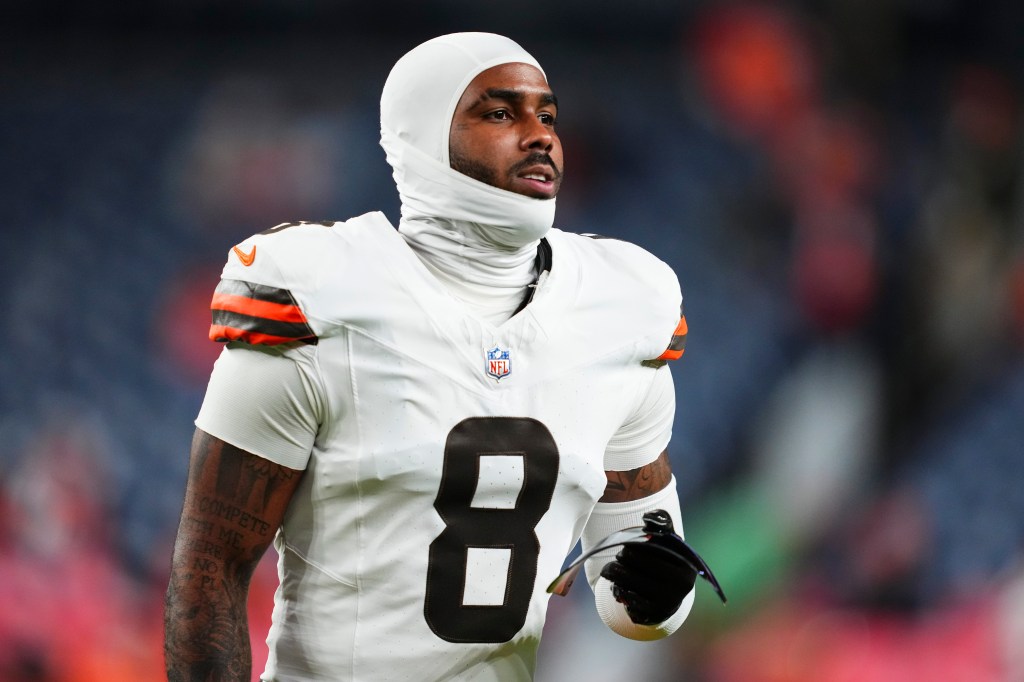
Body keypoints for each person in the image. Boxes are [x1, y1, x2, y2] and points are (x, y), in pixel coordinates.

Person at [164, 32, 699, 681]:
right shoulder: (319, 295)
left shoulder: (621, 305)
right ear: (421, 138)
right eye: (501, 113)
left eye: (548, 117)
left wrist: (660, 590)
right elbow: (209, 567)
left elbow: (636, 597)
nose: (539, 136)